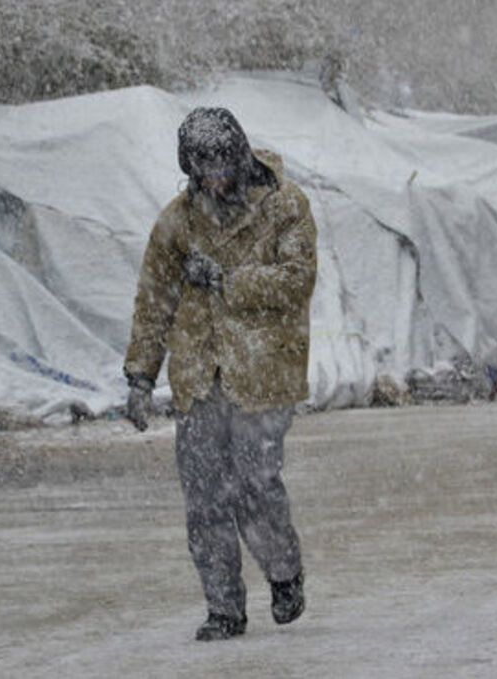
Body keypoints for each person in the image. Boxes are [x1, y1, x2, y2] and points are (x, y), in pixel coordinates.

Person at [123, 106, 317, 641]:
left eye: (220, 165)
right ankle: (224, 607)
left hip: (263, 372)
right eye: (201, 168)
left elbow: (297, 279)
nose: (213, 178)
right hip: (198, 378)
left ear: (239, 157)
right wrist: (141, 375)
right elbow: (153, 302)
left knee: (256, 485)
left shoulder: (284, 206)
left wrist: (228, 279)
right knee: (205, 499)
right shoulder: (177, 222)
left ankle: (283, 572)